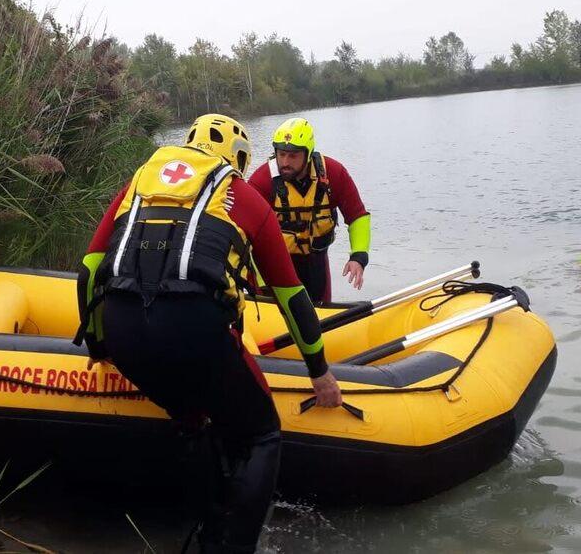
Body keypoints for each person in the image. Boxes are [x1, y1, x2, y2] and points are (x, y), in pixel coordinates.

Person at [75, 113, 342, 553]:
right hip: (192, 330)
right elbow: (293, 297)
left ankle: (203, 525)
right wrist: (319, 372)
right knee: (262, 435)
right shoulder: (243, 194)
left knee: (192, 419)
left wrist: (99, 343)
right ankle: (234, 545)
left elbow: (87, 273)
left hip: (123, 332)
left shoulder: (138, 184)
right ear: (236, 156)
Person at [248, 117, 371, 303]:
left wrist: (359, 256)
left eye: (293, 155)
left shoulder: (333, 173)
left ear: (308, 153)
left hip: (317, 264)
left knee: (321, 317)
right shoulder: (262, 180)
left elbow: (357, 216)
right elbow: (246, 234)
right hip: (276, 267)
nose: (285, 162)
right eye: (281, 154)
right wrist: (259, 284)